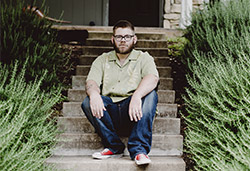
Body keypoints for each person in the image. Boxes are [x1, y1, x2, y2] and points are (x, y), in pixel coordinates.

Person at [81, 20, 159, 166]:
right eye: (119, 37)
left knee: (151, 94)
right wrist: (94, 95)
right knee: (88, 101)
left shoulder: (144, 58)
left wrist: (136, 95)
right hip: (109, 114)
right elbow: (91, 82)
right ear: (113, 39)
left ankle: (139, 150)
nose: (123, 40)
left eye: (127, 36)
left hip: (134, 113)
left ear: (134, 39)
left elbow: (153, 78)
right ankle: (114, 146)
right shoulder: (102, 59)